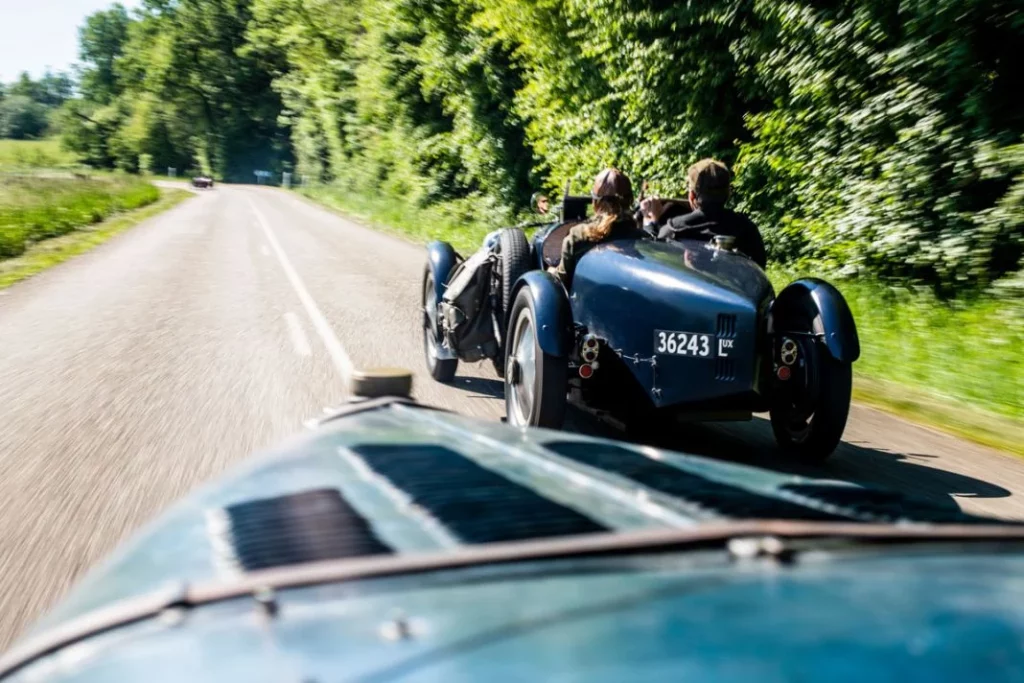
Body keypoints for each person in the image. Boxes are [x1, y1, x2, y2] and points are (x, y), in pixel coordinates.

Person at [640, 159, 767, 269]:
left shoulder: (674, 228)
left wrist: (649, 221)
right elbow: (760, 267)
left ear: (692, 195)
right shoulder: (746, 229)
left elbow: (651, 253)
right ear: (728, 193)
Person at [550, 168, 639, 284]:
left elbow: (561, 281)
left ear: (595, 203)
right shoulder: (641, 238)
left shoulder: (578, 235)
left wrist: (551, 272)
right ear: (630, 201)